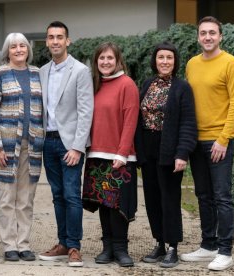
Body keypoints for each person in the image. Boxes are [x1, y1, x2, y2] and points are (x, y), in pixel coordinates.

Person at [180, 16, 234, 271]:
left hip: (219, 141)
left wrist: (223, 139)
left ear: (220, 36)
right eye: (203, 33)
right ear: (198, 37)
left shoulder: (231, 64)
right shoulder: (192, 64)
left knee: (222, 197)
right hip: (196, 141)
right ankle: (208, 246)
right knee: (203, 195)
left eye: (212, 33)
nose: (207, 37)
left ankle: (225, 251)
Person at [37, 21, 94, 267]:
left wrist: (77, 147)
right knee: (57, 195)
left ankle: (74, 247)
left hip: (69, 143)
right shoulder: (41, 71)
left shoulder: (80, 71)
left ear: (68, 41)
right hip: (47, 142)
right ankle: (62, 243)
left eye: (60, 37)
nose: (56, 41)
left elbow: (85, 111)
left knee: (72, 195)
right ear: (47, 41)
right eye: (51, 37)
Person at [136, 42, 197, 268]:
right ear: (155, 60)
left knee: (169, 199)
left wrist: (182, 153)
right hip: (148, 148)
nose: (164, 61)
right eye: (161, 57)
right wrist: (139, 152)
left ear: (175, 61)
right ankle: (159, 243)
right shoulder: (147, 83)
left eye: (169, 58)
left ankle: (173, 247)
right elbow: (138, 119)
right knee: (152, 199)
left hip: (169, 149)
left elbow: (188, 123)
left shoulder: (182, 87)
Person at [0, 33, 44, 262]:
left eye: (22, 45)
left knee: (26, 198)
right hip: (7, 147)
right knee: (6, 198)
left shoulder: (37, 73)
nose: (18, 49)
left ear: (28, 49)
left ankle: (24, 244)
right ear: (7, 51)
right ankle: (10, 245)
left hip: (33, 146)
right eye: (13, 46)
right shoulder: (0, 73)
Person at [82, 42, 139, 267]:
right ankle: (107, 248)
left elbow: (130, 121)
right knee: (103, 204)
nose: (106, 62)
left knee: (118, 206)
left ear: (118, 60)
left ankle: (121, 249)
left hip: (119, 157)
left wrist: (122, 153)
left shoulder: (127, 84)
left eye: (110, 58)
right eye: (102, 58)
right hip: (97, 154)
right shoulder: (93, 84)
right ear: (97, 62)